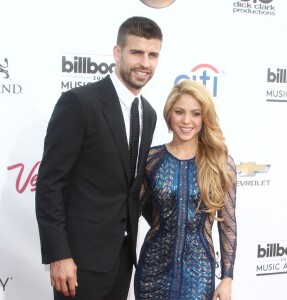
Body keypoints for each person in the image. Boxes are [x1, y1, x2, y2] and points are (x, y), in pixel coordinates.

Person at [35, 16, 163, 300]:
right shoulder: (80, 103)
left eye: (153, 54)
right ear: (117, 53)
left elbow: (130, 186)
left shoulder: (149, 114)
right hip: (79, 262)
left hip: (123, 259)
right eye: (136, 52)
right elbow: (50, 184)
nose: (145, 62)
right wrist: (59, 255)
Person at [134, 79, 237, 300]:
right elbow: (138, 209)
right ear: (169, 115)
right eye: (179, 112)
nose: (186, 120)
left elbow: (227, 224)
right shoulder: (151, 160)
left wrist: (227, 278)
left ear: (204, 118)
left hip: (199, 273)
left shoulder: (220, 164)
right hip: (152, 270)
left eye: (195, 113)